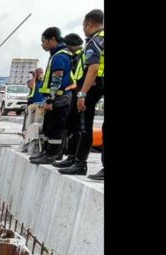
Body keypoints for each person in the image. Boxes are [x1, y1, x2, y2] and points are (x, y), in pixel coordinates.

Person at [67, 9, 105, 181]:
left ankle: (80, 163)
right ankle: (76, 161)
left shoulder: (96, 40)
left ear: (89, 24)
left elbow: (94, 68)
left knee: (85, 124)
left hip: (97, 85)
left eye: (83, 25)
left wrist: (82, 94)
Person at [30, 27, 74, 165]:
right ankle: (48, 151)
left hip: (59, 98)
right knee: (49, 126)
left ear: (53, 39)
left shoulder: (60, 56)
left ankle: (53, 154)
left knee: (56, 127)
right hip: (57, 97)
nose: (42, 45)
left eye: (44, 41)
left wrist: (50, 99)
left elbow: (57, 80)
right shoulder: (56, 54)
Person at [53, 33, 85, 171]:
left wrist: (75, 89)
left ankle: (75, 159)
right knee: (71, 125)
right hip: (76, 93)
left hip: (79, 94)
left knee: (75, 126)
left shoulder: (79, 56)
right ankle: (71, 157)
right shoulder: (75, 56)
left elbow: (80, 77)